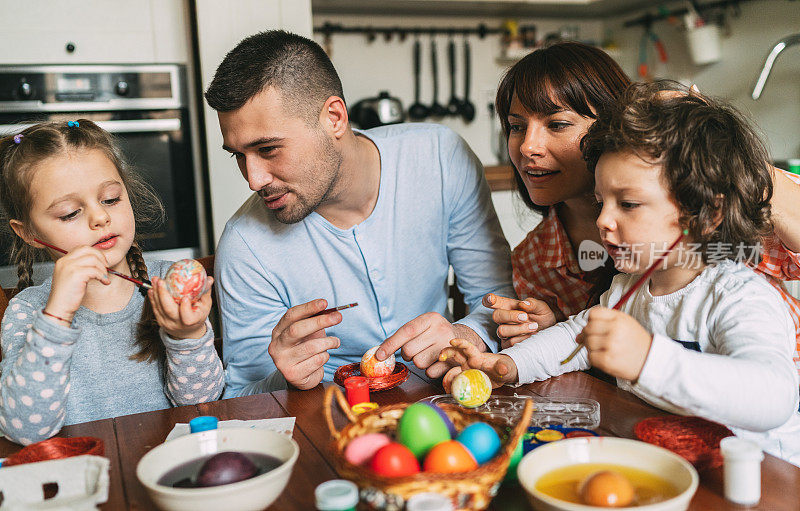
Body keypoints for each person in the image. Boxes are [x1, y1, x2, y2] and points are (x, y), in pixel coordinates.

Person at [441, 82, 800, 466]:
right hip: (673, 461)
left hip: (759, 476)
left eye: (628, 204)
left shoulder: (737, 295)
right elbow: (573, 336)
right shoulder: (631, 286)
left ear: (708, 213)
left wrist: (648, 359)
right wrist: (509, 367)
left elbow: (774, 398)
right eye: (601, 202)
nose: (603, 221)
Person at [205, 30, 514, 397]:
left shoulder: (440, 158)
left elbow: (497, 301)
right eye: (238, 155)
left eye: (268, 149)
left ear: (334, 117)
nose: (253, 179)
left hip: (441, 394)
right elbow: (242, 395)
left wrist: (465, 334)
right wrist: (284, 379)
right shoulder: (244, 245)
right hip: (326, 417)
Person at [487, 42, 800, 374]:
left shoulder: (717, 219)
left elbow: (766, 390)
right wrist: (540, 335)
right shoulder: (536, 261)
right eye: (516, 126)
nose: (527, 147)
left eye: (557, 124)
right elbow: (581, 343)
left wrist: (727, 161)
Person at [0, 121, 223, 445]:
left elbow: (202, 406)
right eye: (70, 213)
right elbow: (24, 428)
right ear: (29, 233)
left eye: (110, 199)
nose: (99, 218)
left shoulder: (165, 286)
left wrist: (186, 335)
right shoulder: (29, 311)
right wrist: (57, 316)